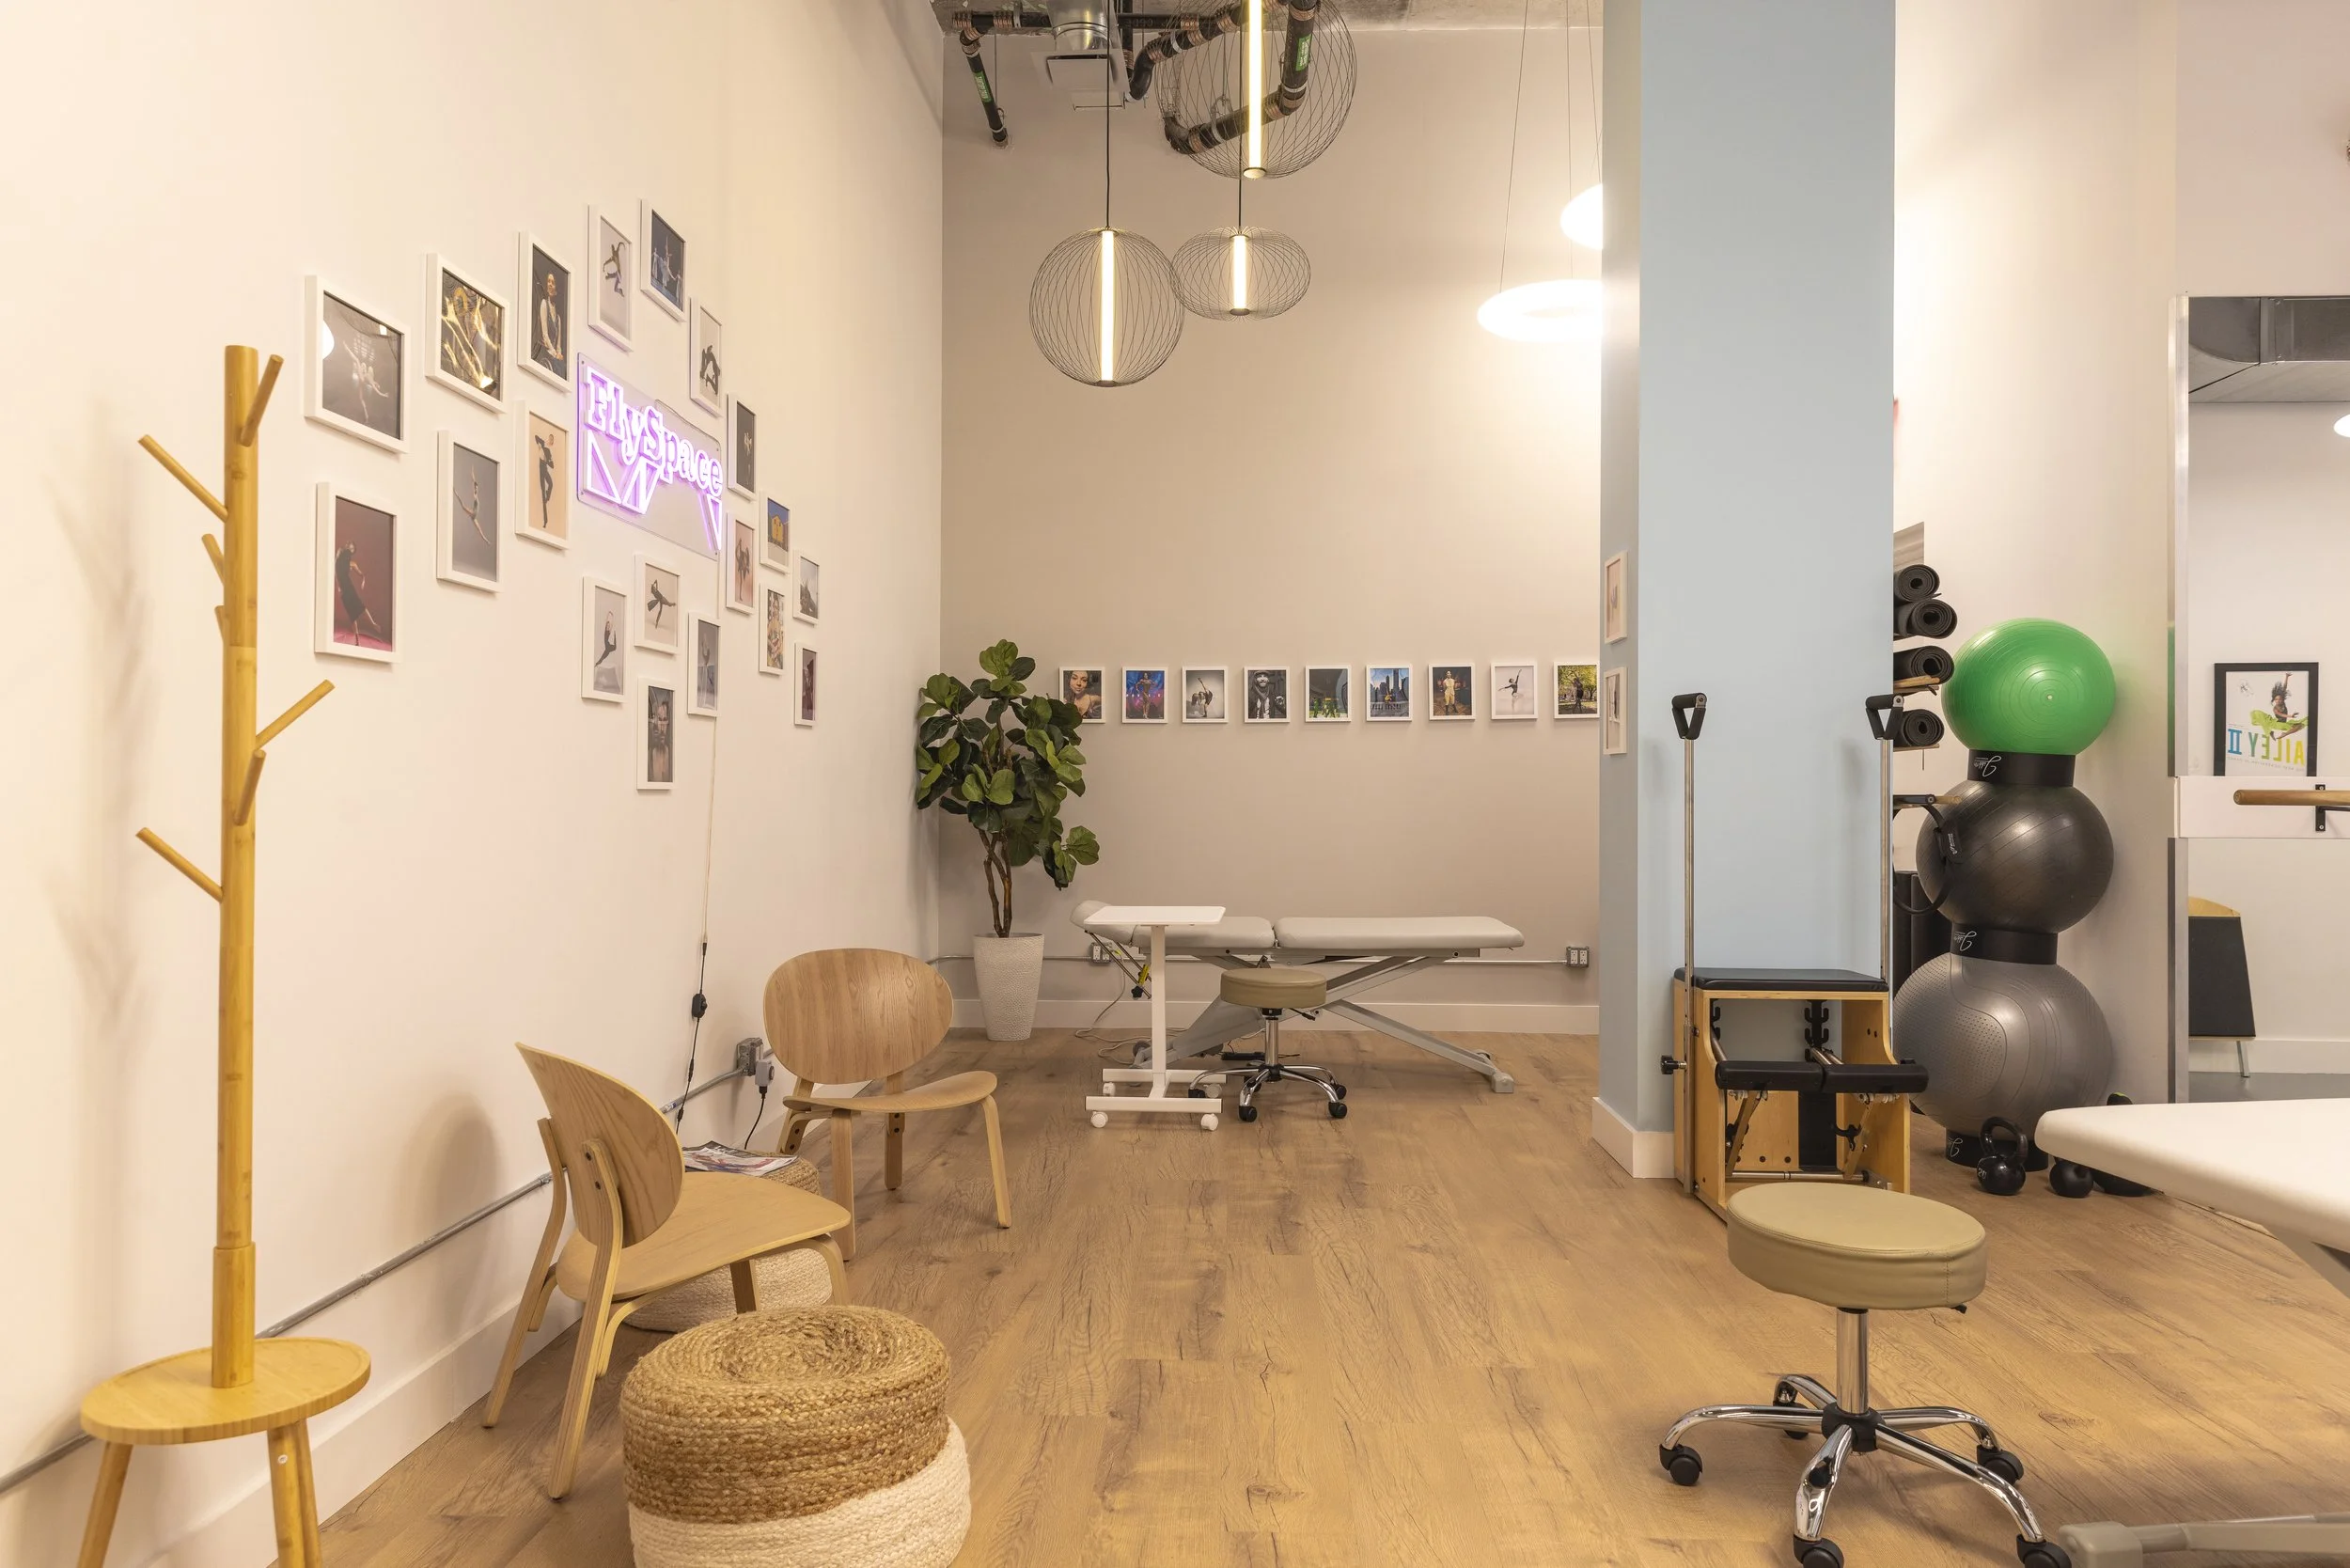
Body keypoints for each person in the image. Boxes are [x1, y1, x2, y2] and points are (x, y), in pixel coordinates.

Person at [334, 541, 384, 644]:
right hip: (344, 589)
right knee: (352, 615)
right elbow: (335, 569)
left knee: (360, 607)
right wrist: (338, 586)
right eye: (348, 546)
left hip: (349, 588)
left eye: (351, 548)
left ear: (352, 552)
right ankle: (357, 641)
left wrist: (363, 581)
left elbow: (362, 574)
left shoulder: (352, 564)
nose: (348, 547)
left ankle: (373, 623)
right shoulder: (339, 552)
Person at [535, 268, 565, 373]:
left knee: (562, 367)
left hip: (554, 355)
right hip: (545, 351)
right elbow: (545, 335)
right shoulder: (544, 304)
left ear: (556, 289)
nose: (550, 285)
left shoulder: (558, 318)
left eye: (553, 282)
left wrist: (559, 353)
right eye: (548, 281)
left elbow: (559, 345)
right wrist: (554, 353)